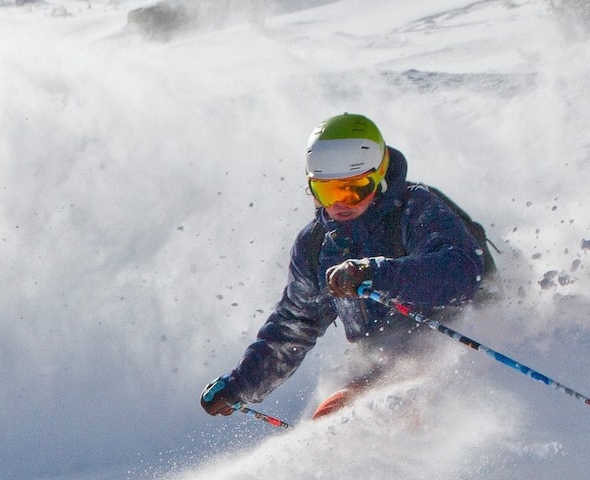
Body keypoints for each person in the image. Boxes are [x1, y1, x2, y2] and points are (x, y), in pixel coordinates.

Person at [200, 113, 493, 420]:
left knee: (404, 400)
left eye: (354, 189)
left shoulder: (415, 210)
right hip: (383, 363)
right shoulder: (317, 246)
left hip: (460, 343)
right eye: (327, 191)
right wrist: (240, 385)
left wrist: (377, 274)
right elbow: (295, 324)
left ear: (379, 176)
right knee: (340, 413)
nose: (341, 203)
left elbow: (460, 270)